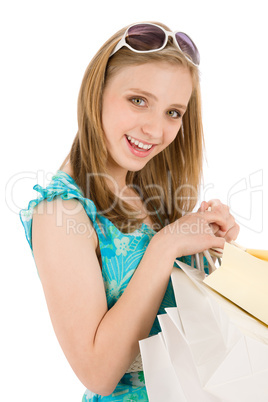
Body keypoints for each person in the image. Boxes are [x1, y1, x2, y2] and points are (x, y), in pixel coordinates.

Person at [19, 22, 239, 401]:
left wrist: (213, 248)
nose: (155, 129)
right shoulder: (62, 213)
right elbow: (98, 374)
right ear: (97, 92)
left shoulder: (147, 191)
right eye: (138, 100)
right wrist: (166, 245)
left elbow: (183, 331)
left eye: (173, 112)